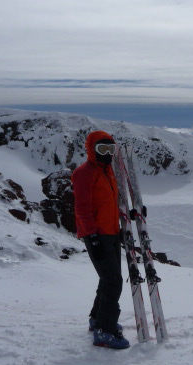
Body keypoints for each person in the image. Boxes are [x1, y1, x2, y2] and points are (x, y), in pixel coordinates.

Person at [71, 130, 129, 349]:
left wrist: (125, 217)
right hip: (98, 234)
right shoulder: (84, 172)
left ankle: (97, 319)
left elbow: (108, 203)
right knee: (113, 281)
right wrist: (92, 236)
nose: (106, 154)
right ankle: (104, 331)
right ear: (91, 149)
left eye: (110, 149)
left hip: (111, 232)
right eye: (101, 149)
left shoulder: (108, 171)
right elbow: (82, 208)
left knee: (109, 279)